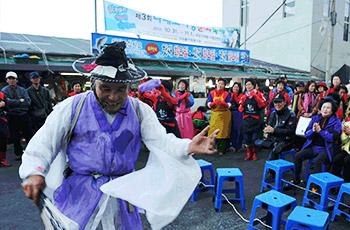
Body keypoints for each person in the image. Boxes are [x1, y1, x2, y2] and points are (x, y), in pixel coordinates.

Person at [19, 42, 219, 230]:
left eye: (120, 90)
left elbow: (161, 141)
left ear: (129, 88)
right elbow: (44, 143)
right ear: (92, 83)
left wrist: (188, 147)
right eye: (105, 89)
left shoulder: (140, 111)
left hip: (122, 192)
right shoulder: (72, 107)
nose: (113, 97)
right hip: (81, 194)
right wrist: (33, 172)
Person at [293, 97, 341, 185]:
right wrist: (313, 130)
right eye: (323, 107)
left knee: (318, 161)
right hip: (313, 147)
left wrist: (320, 132)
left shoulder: (337, 122)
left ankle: (315, 186)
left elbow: (332, 138)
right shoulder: (315, 118)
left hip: (327, 149)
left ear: (333, 110)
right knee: (298, 156)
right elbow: (306, 134)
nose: (325, 110)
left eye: (328, 108)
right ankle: (296, 179)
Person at [1, 71, 32, 160]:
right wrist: (19, 101)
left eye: (13, 79)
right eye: (9, 79)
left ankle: (31, 152)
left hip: (24, 115)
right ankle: (18, 154)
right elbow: (7, 103)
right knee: (15, 136)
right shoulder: (4, 91)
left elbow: (27, 102)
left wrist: (14, 102)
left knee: (28, 134)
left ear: (16, 80)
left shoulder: (22, 90)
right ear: (7, 81)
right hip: (12, 116)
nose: (11, 81)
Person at [256, 93, 296, 160]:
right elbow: (270, 126)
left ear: (284, 103)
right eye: (275, 102)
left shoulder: (291, 114)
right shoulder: (273, 113)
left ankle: (272, 167)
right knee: (257, 142)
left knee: (274, 149)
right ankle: (273, 145)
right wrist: (267, 129)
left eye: (279, 102)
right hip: (274, 138)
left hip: (286, 140)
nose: (277, 104)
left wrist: (274, 130)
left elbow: (290, 131)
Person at [239, 78, 267, 160]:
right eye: (247, 84)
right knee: (247, 139)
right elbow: (240, 109)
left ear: (254, 86)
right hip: (247, 121)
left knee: (254, 138)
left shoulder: (260, 94)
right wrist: (241, 104)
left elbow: (263, 105)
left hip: (256, 120)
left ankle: (254, 154)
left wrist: (256, 96)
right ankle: (248, 153)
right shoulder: (244, 96)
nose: (248, 86)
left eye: (249, 84)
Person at [207, 78, 231, 155]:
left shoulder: (226, 94)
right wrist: (212, 104)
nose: (220, 85)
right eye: (219, 83)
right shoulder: (211, 93)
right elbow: (208, 103)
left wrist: (224, 104)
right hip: (214, 114)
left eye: (222, 84)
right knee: (212, 132)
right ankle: (212, 147)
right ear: (216, 83)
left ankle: (221, 149)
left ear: (224, 86)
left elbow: (229, 104)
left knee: (222, 133)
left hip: (224, 115)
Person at [228, 82, 243, 152]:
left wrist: (234, 96)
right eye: (234, 87)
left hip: (238, 113)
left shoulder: (241, 95)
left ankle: (237, 145)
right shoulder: (229, 94)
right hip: (229, 112)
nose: (236, 88)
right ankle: (229, 145)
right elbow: (228, 103)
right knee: (229, 129)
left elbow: (239, 102)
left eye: (237, 87)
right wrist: (232, 96)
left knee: (237, 129)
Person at [0, 91, 10, 166]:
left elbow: (7, 107)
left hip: (1, 119)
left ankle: (2, 159)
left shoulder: (2, 94)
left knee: (3, 139)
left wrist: (4, 105)